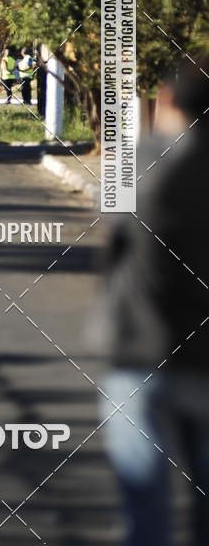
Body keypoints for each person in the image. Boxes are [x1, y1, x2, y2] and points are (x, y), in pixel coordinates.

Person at [97, 57, 209, 546]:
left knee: (147, 513)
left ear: (165, 101)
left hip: (141, 357)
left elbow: (114, 241)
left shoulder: (142, 163)